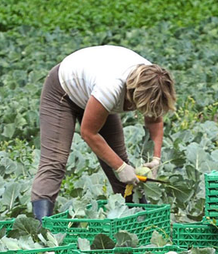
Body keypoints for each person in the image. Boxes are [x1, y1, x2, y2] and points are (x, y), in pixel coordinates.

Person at [30, 45, 177, 220]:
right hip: (63, 93)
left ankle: (141, 222)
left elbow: (154, 116)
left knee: (119, 160)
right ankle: (40, 228)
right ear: (133, 93)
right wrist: (121, 167)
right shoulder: (111, 87)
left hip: (93, 89)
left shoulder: (155, 82)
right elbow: (89, 133)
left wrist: (156, 158)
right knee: (55, 162)